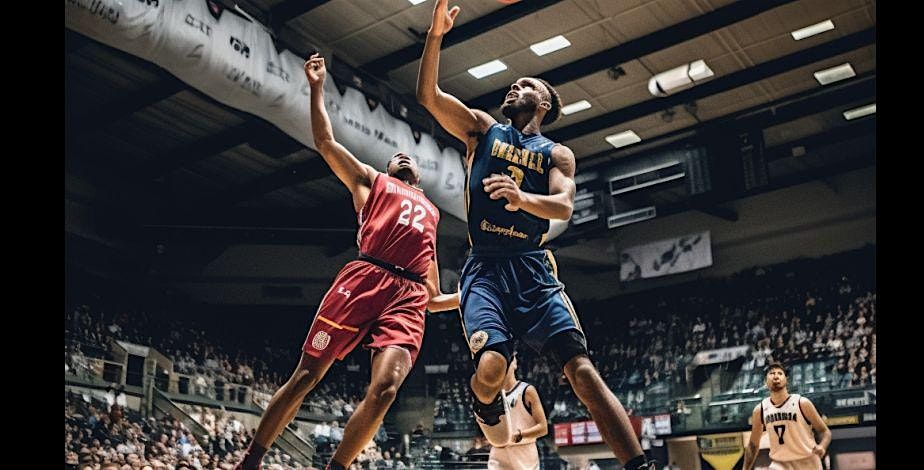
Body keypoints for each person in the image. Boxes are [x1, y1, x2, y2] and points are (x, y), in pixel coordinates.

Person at [416, 2, 652, 468]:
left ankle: (641, 465)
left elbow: (563, 206)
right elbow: (428, 95)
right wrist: (436, 36)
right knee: (491, 370)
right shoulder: (482, 130)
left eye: (526, 84)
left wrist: (522, 200)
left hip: (532, 268)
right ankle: (485, 404)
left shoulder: (557, 154)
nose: (514, 86)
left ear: (543, 103)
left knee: (583, 373)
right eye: (514, 82)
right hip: (485, 266)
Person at [235, 53, 459, 470]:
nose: (403, 156)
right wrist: (317, 87)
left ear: (421, 179)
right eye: (396, 156)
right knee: (306, 375)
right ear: (389, 168)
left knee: (387, 389)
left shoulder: (432, 213)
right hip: (366, 276)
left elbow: (432, 298)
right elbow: (325, 142)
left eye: (409, 157)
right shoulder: (372, 182)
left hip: (408, 295)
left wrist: (468, 297)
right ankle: (251, 460)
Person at [744, 363, 831, 470]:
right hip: (780, 464)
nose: (776, 376)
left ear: (786, 380)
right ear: (765, 382)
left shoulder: (802, 403)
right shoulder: (760, 410)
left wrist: (822, 446)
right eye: (771, 373)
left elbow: (825, 431)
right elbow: (753, 445)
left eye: (780, 373)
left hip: (808, 461)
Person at [487, 353, 547, 470]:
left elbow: (543, 428)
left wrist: (520, 434)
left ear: (514, 362)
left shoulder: (527, 390)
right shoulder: (492, 395)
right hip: (499, 453)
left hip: (525, 454)